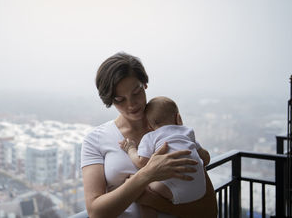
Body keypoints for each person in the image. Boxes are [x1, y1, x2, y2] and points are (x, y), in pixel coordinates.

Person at [81, 52, 217, 218]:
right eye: (119, 99)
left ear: (145, 84)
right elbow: (96, 213)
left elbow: (209, 210)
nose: (131, 104)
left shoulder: (170, 131)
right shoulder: (95, 140)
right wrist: (146, 176)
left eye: (136, 92)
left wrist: (151, 200)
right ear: (110, 100)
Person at [119, 96, 213, 217]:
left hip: (172, 189)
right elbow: (206, 159)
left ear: (149, 126)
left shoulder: (150, 137)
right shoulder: (187, 132)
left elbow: (141, 163)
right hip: (199, 190)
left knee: (139, 187)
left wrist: (130, 149)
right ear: (179, 118)